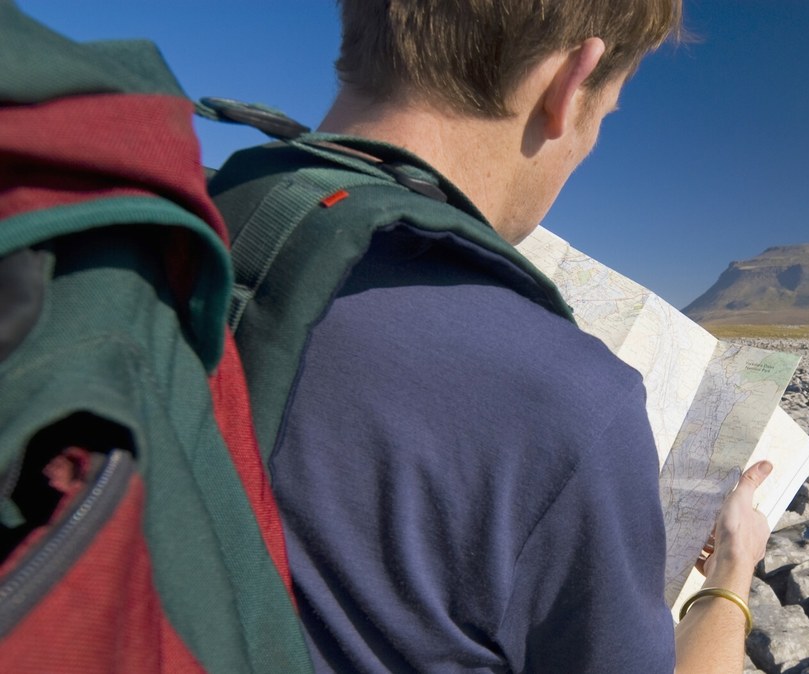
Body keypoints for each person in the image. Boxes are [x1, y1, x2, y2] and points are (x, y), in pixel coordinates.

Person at [215, 1, 772, 672]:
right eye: (607, 114)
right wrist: (730, 578)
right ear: (570, 83)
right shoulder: (574, 406)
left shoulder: (151, 217)